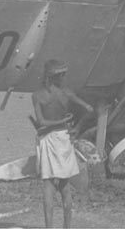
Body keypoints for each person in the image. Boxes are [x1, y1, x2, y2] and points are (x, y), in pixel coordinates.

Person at [32, 59, 93, 228]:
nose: (65, 78)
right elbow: (89, 109)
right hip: (63, 139)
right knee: (64, 184)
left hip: (47, 139)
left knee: (48, 184)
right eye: (63, 75)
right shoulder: (66, 93)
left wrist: (61, 122)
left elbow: (41, 121)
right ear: (56, 77)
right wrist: (76, 127)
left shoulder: (37, 95)